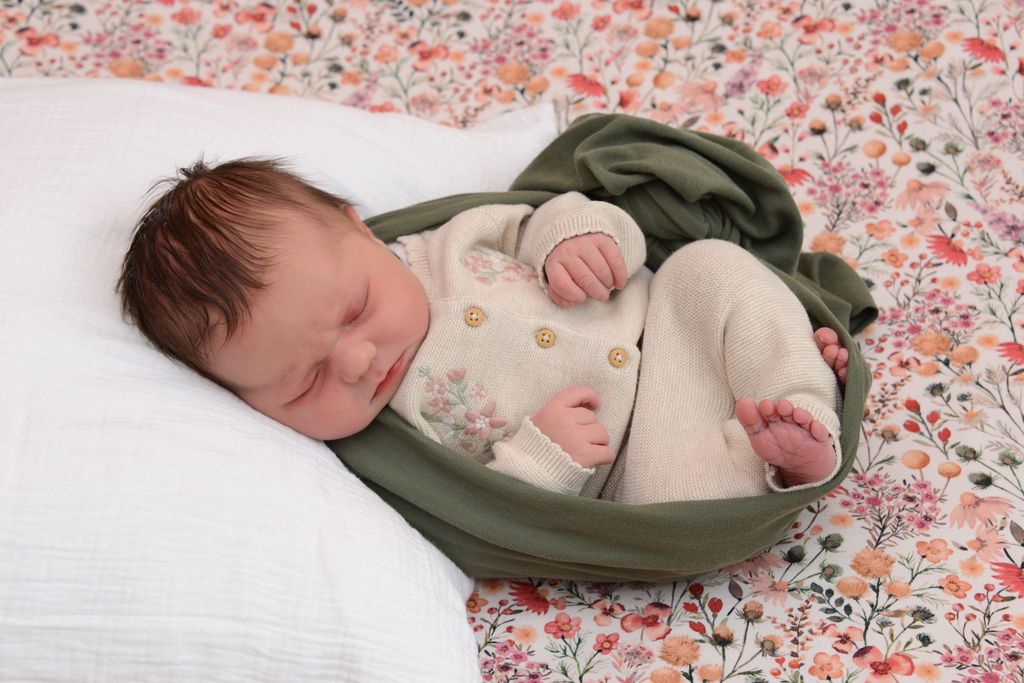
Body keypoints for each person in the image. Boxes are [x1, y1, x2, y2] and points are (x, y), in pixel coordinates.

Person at [117, 158, 849, 503]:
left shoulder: (451, 240)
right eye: (305, 382)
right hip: (640, 455)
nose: (358, 360)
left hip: (669, 322)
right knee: (673, 497)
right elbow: (481, 508)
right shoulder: (390, 442)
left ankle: (799, 393)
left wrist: (580, 241)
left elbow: (549, 214)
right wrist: (544, 459)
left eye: (355, 309)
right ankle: (787, 460)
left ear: (361, 233)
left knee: (709, 267)